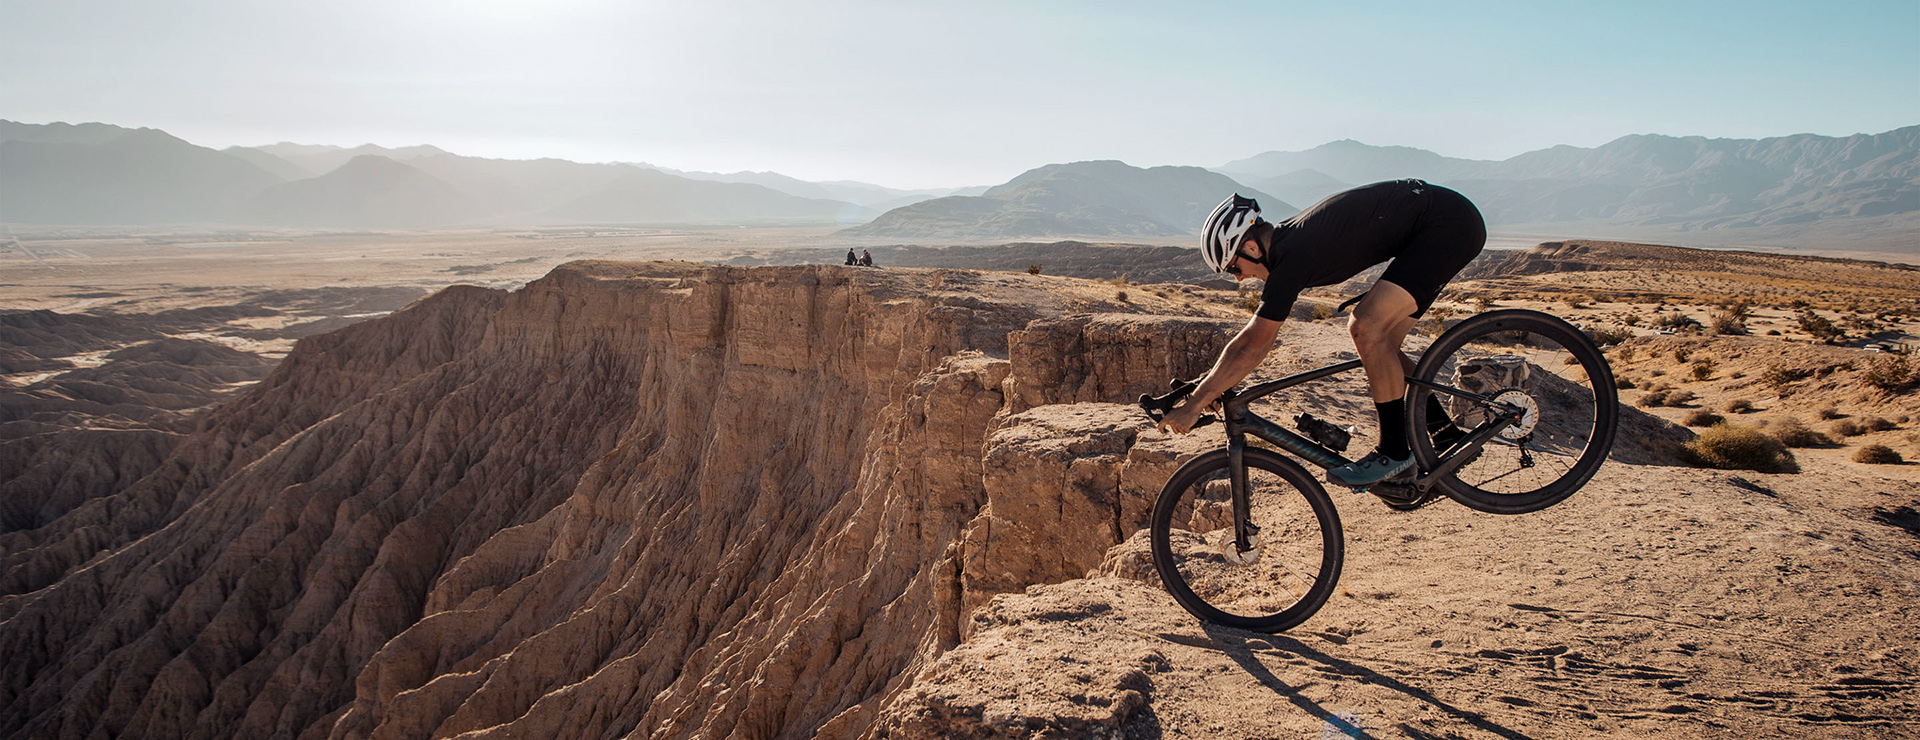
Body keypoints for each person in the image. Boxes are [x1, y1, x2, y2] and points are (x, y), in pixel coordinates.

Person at [1156, 179, 1486, 488]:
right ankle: (1446, 439)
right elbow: (1256, 345)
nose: (1239, 278)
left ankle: (1395, 453)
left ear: (1252, 248)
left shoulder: (1291, 256)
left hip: (1447, 225)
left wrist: (1196, 403)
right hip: (1445, 221)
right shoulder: (1290, 244)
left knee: (1365, 326)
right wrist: (1207, 387)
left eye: (1233, 267)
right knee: (1383, 346)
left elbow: (1253, 346)